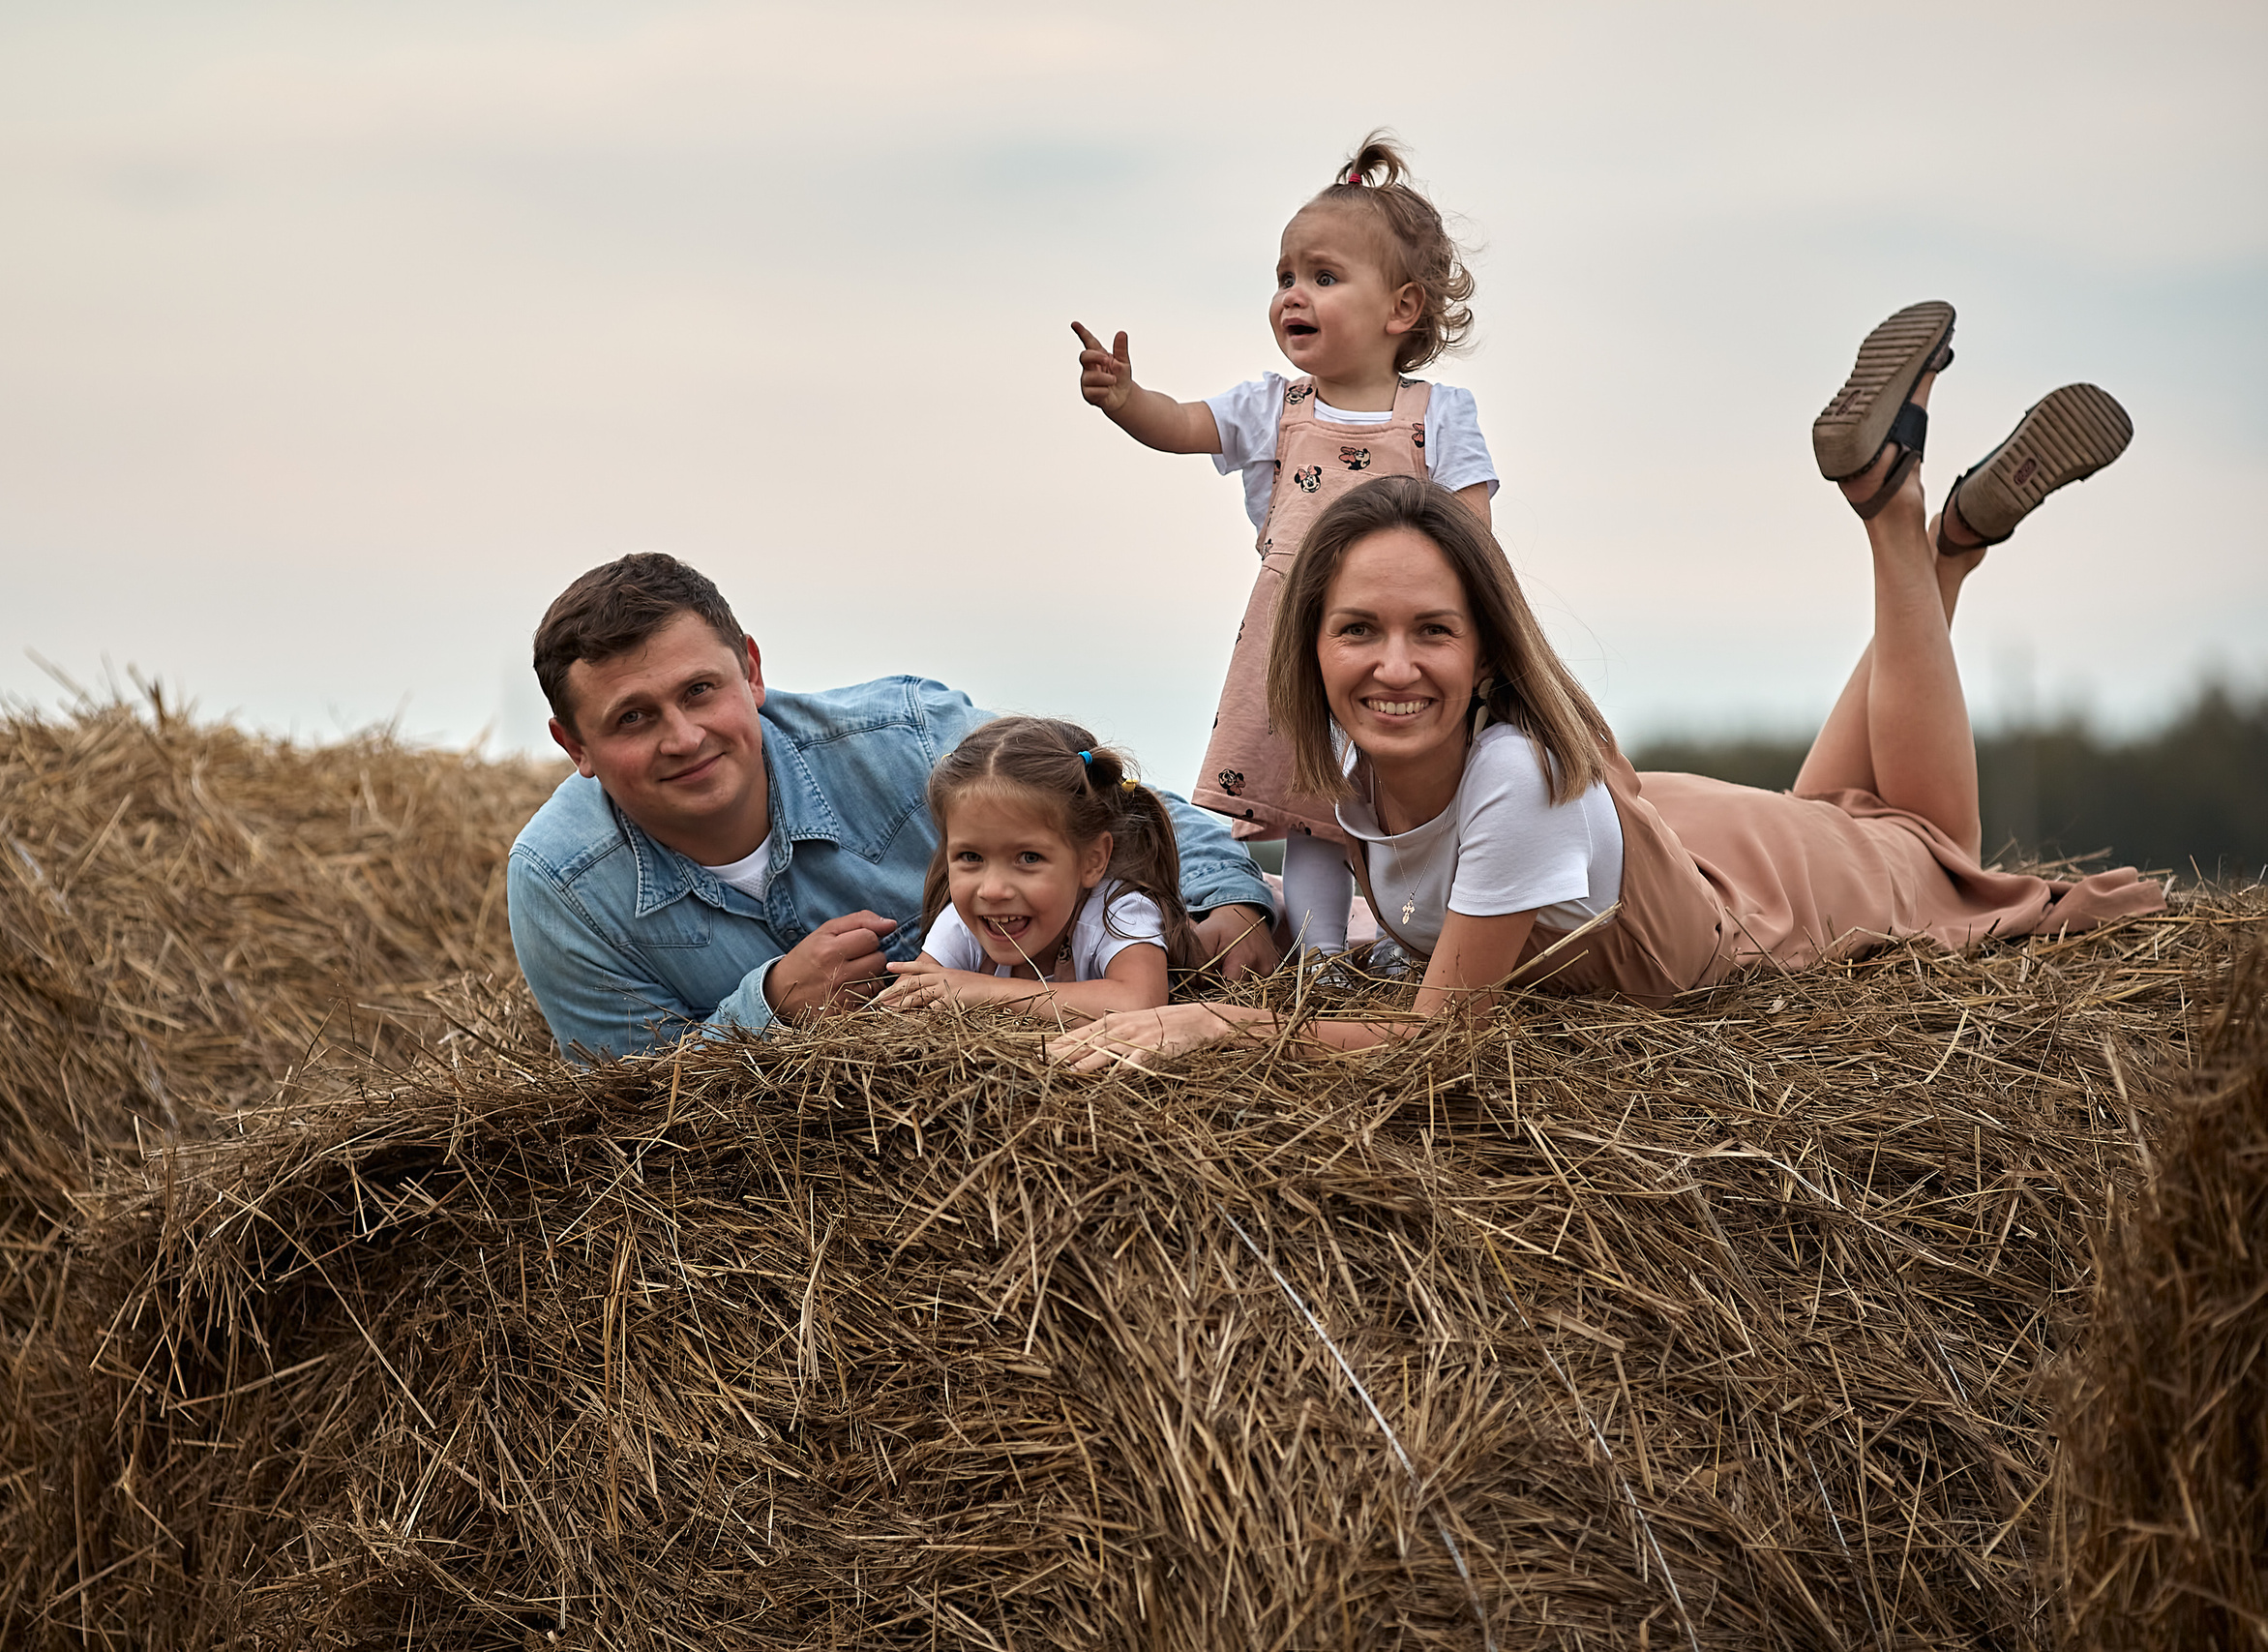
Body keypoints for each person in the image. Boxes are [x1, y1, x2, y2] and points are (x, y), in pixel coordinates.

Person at [1052, 301, 2165, 1068]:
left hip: (1721, 908)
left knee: (1922, 845)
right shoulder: (1353, 768)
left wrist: (1217, 1032)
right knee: (1841, 817)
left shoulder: (1515, 781)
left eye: (1432, 631)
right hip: (1667, 845)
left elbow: (1445, 1038)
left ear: (1486, 647)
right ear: (1310, 647)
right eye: (1359, 632)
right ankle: (1946, 555)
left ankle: (1899, 515)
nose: (1392, 666)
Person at [507, 555, 1277, 1060]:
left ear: (750, 669)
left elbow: (1120, 802)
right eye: (633, 718)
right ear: (574, 744)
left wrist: (1237, 905)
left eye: (700, 691)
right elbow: (631, 1103)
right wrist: (770, 1005)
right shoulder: (561, 885)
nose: (684, 737)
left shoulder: (907, 736)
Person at [1071, 132, 1496, 963]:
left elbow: (1476, 537)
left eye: (1324, 277)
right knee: (1313, 815)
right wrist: (1126, 399)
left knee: (1414, 801)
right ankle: (1320, 963)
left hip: (1399, 643)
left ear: (1400, 309)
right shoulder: (1274, 405)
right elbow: (1185, 424)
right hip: (1298, 645)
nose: (1293, 294)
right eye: (1285, 276)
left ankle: (1418, 944)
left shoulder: (1438, 414)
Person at [877, 718, 1199, 1020]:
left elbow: (1140, 1003)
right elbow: (908, 1006)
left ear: (1092, 860)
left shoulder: (1121, 911)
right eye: (971, 857)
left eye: (1028, 858)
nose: (992, 890)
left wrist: (984, 991)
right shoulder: (962, 923)